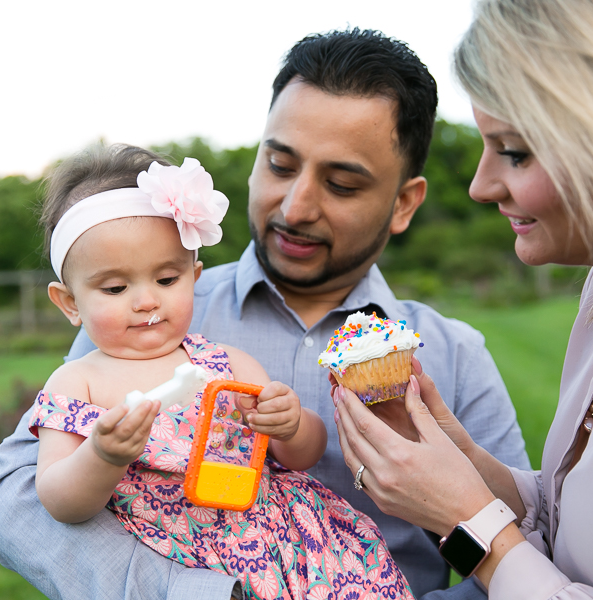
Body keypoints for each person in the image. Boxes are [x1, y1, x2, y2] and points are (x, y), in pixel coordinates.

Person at [0, 29, 530, 599]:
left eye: (341, 184)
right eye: (280, 165)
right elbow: (14, 504)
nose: (295, 207)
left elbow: (524, 541)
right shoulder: (133, 335)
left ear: (405, 204)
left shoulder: (453, 354)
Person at [333, 1, 593, 598]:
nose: (479, 185)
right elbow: (573, 521)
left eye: (514, 151)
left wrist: (468, 523)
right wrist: (465, 462)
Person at [30, 143, 414, 600]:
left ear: (194, 277)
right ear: (70, 302)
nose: (147, 300)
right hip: (184, 559)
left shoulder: (225, 363)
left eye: (167, 280)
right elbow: (59, 501)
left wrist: (290, 425)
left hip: (290, 546)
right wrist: (103, 456)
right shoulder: (78, 381)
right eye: (115, 287)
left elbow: (303, 455)